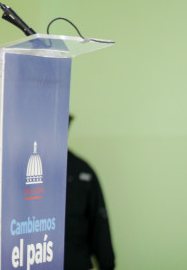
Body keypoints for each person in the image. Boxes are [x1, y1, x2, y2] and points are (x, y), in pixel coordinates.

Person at [65, 115, 116, 270]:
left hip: (75, 261)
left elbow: (99, 220)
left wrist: (107, 263)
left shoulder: (83, 171)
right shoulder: (27, 167)